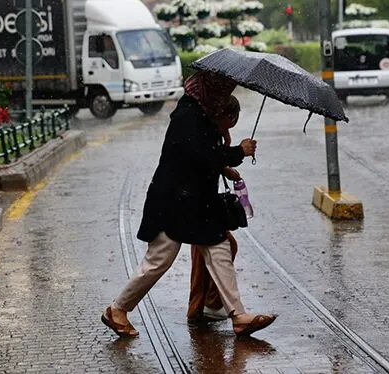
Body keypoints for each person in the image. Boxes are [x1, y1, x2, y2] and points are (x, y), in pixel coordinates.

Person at [102, 71, 276, 338]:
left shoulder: (202, 114)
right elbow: (199, 155)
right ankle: (117, 309)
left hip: (197, 203)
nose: (223, 97)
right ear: (209, 90)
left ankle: (238, 316)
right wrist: (238, 151)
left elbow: (201, 156)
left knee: (218, 248)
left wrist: (225, 166)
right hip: (173, 202)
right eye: (220, 91)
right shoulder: (188, 116)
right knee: (159, 259)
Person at [187, 95, 242, 323]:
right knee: (212, 253)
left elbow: (213, 159)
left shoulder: (217, 134)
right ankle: (206, 304)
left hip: (203, 203)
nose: (233, 123)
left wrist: (225, 169)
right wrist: (237, 151)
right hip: (196, 203)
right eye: (232, 118)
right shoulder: (206, 132)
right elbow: (204, 160)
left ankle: (205, 304)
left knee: (205, 256)